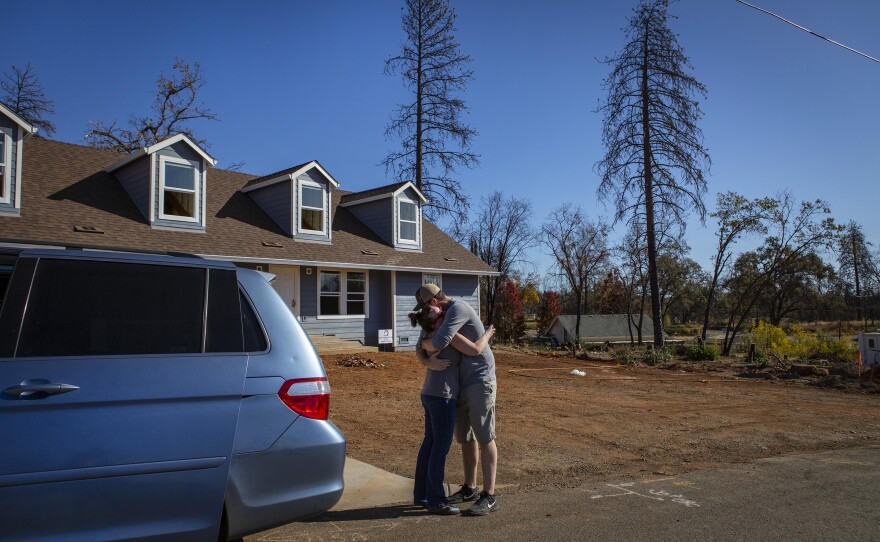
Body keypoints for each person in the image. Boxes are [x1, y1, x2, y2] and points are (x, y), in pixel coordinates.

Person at [413, 283, 500, 516]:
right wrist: (427, 359)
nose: (429, 314)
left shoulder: (456, 310)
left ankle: (489, 495)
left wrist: (426, 346)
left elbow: (440, 342)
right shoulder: (439, 319)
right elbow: (422, 340)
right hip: (458, 385)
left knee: (484, 435)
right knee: (465, 438)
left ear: (432, 302)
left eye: (425, 307)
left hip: (479, 378)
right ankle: (470, 488)